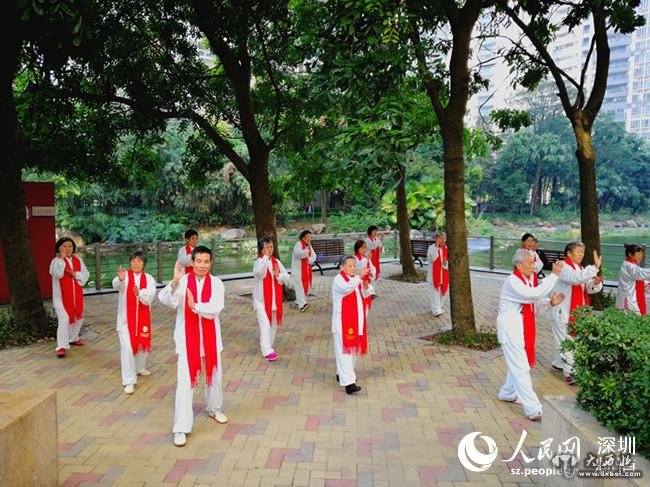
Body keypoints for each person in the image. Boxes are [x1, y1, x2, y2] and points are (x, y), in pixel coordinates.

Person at [159, 246, 227, 447]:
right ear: (192, 262)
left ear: (211, 263)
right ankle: (181, 427)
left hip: (211, 340)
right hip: (187, 341)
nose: (202, 265)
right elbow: (166, 300)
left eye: (206, 261)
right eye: (198, 261)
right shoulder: (184, 281)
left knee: (214, 376)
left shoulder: (216, 283)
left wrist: (195, 306)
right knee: (184, 383)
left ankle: (214, 408)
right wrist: (174, 282)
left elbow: (216, 309)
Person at [497, 249, 565, 421]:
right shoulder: (513, 281)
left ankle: (507, 393)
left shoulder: (526, 281)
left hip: (520, 329)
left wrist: (550, 303)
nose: (533, 265)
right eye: (530, 262)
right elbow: (533, 295)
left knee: (518, 364)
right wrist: (554, 276)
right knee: (521, 367)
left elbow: (534, 306)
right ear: (519, 265)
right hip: (511, 329)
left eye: (533, 262)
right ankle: (533, 408)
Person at [548, 241, 603, 385]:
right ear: (569, 253)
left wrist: (595, 283)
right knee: (567, 343)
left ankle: (558, 364)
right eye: (578, 251)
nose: (581, 254)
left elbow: (587, 288)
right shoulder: (562, 266)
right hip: (562, 311)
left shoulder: (580, 268)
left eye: (582, 252)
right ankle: (571, 373)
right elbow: (575, 279)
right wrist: (595, 267)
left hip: (575, 311)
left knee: (568, 340)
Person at [112, 251, 157, 395]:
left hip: (142, 319)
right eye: (133, 261)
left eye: (139, 261)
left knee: (142, 345)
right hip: (125, 321)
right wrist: (120, 280)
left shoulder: (149, 278)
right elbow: (115, 285)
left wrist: (139, 293)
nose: (136, 264)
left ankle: (139, 368)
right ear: (130, 262)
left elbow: (149, 298)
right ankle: (129, 381)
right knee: (127, 348)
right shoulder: (124, 276)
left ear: (144, 263)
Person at [331, 256, 371, 395]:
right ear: (342, 267)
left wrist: (366, 287)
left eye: (354, 265)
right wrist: (359, 277)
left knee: (352, 351)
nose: (353, 268)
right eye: (349, 266)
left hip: (356, 321)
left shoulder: (356, 280)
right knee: (345, 353)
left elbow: (367, 293)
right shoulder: (339, 280)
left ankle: (342, 374)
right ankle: (349, 383)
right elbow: (346, 288)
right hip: (343, 323)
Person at [252, 237, 292, 361]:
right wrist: (265, 257)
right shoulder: (258, 262)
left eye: (271, 247)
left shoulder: (276, 262)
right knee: (265, 324)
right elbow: (258, 273)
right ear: (261, 249)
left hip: (275, 300)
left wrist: (278, 275)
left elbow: (286, 277)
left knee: (273, 324)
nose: (270, 249)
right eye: (267, 247)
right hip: (261, 301)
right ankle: (267, 351)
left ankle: (269, 345)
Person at [50, 237, 90, 358]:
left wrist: (75, 274)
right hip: (60, 297)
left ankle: (73, 338)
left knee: (78, 316)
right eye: (64, 246)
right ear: (59, 248)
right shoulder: (55, 262)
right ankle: (61, 346)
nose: (67, 248)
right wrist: (62, 259)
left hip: (76, 296)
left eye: (70, 246)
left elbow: (85, 275)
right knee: (64, 319)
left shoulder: (78, 260)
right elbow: (58, 274)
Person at [616, 244, 650, 316]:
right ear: (630, 255)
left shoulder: (628, 264)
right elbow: (640, 273)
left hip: (629, 293)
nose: (641, 256)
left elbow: (639, 275)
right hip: (628, 296)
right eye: (638, 254)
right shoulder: (629, 266)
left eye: (641, 254)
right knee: (632, 316)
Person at [291, 230, 317, 312]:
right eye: (308, 237)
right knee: (299, 287)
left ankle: (298, 302)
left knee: (304, 286)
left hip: (306, 270)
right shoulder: (298, 244)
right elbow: (297, 254)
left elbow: (314, 256)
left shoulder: (309, 246)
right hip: (297, 270)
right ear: (303, 238)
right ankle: (302, 305)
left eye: (310, 237)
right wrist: (307, 250)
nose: (309, 239)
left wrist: (308, 260)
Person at [427, 231, 449, 317]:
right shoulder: (431, 248)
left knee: (443, 291)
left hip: (443, 274)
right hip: (434, 275)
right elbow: (432, 258)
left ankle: (438, 307)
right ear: (437, 239)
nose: (443, 240)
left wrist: (445, 261)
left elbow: (447, 262)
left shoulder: (446, 248)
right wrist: (437, 247)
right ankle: (436, 309)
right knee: (435, 292)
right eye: (441, 238)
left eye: (444, 238)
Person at [353, 240, 377, 305]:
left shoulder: (365, 258)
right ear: (358, 248)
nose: (365, 249)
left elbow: (372, 267)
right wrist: (367, 260)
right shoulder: (354, 259)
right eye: (363, 247)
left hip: (367, 281)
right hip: (359, 283)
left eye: (365, 247)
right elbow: (359, 269)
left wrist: (372, 273)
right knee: (360, 302)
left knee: (367, 303)